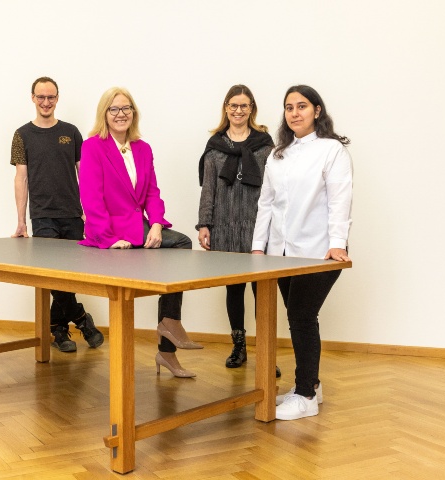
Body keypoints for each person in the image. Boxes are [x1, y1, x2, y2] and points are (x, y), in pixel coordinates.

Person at [78, 86, 199, 378]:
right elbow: (90, 198)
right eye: (114, 109)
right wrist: (109, 239)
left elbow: (153, 193)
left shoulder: (143, 149)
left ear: (134, 113)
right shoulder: (93, 146)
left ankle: (168, 330)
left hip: (140, 227)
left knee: (180, 243)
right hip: (109, 231)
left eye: (126, 108)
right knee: (159, 262)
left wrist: (156, 224)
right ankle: (168, 333)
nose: (121, 114)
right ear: (104, 114)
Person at [251, 85, 353, 421]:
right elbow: (266, 203)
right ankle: (312, 385)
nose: (295, 113)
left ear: (317, 111)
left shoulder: (331, 150)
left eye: (302, 106)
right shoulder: (278, 153)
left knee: (302, 318)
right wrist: (257, 246)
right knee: (298, 319)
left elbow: (340, 199)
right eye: (289, 107)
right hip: (280, 253)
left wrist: (338, 243)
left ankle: (306, 395)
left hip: (318, 252)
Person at [10, 76, 104, 353]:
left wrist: (90, 213)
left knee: (68, 277)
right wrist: (20, 221)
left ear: (57, 98)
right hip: (42, 217)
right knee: (53, 276)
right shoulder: (22, 135)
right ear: (32, 98)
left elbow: (84, 174)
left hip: (73, 216)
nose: (46, 102)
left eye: (51, 97)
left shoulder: (71, 132)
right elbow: (20, 178)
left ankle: (59, 330)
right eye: (41, 97)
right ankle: (82, 320)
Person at [196, 85, 281, 378]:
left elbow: (276, 190)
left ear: (252, 109)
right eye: (233, 105)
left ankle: (267, 352)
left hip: (257, 227)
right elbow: (208, 188)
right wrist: (204, 224)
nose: (238, 111)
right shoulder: (215, 146)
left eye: (244, 106)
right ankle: (239, 346)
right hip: (225, 226)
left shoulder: (265, 146)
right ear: (226, 108)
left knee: (263, 292)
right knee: (234, 290)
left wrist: (275, 228)